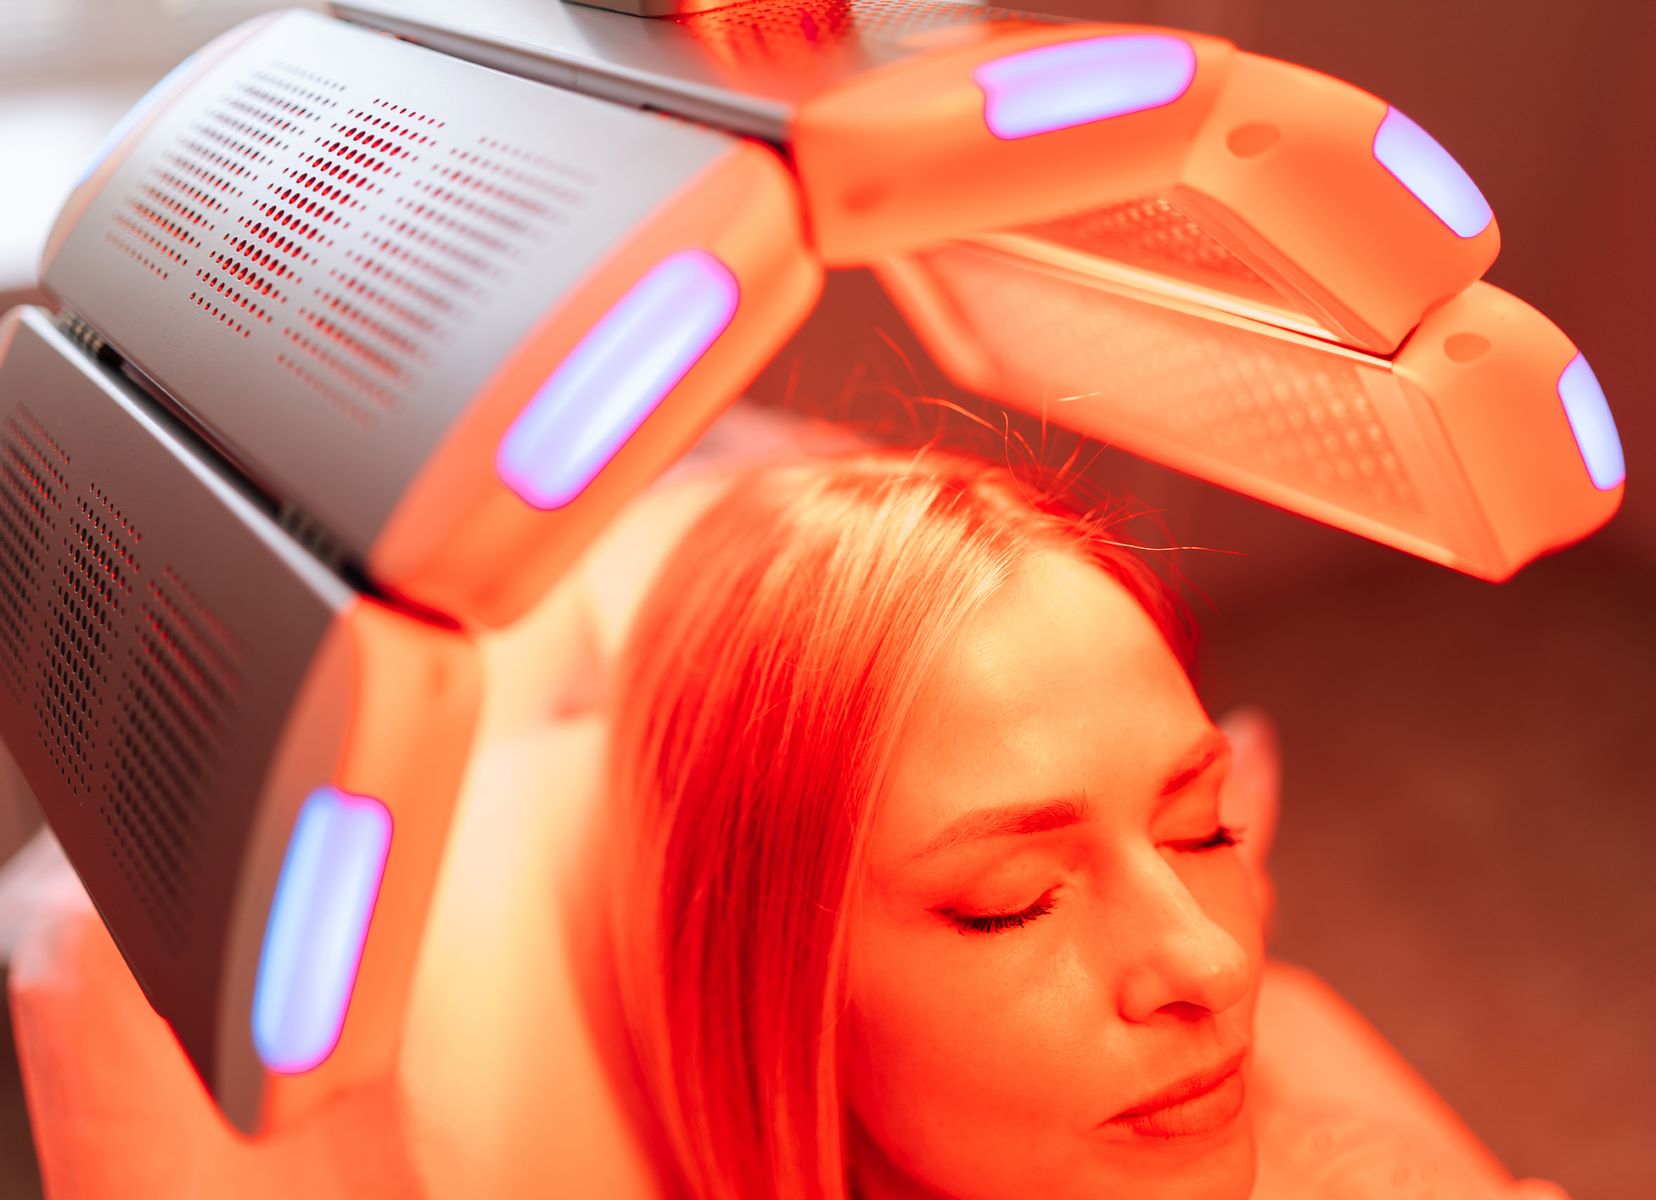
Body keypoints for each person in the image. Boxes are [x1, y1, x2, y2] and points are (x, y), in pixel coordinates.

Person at [602, 446, 1570, 1200]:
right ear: (772, 1001)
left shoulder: (1293, 1039)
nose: (1221, 967)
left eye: (1201, 830)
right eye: (1012, 904)